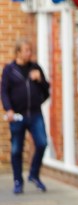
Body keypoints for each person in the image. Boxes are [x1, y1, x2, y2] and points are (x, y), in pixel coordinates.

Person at [1, 40, 50, 195]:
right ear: (18, 52)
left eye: (30, 50)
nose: (29, 53)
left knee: (42, 143)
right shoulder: (10, 70)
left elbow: (47, 91)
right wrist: (8, 110)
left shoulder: (35, 68)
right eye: (26, 50)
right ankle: (17, 181)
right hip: (17, 115)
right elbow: (4, 92)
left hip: (35, 114)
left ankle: (34, 174)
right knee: (16, 149)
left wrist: (40, 80)